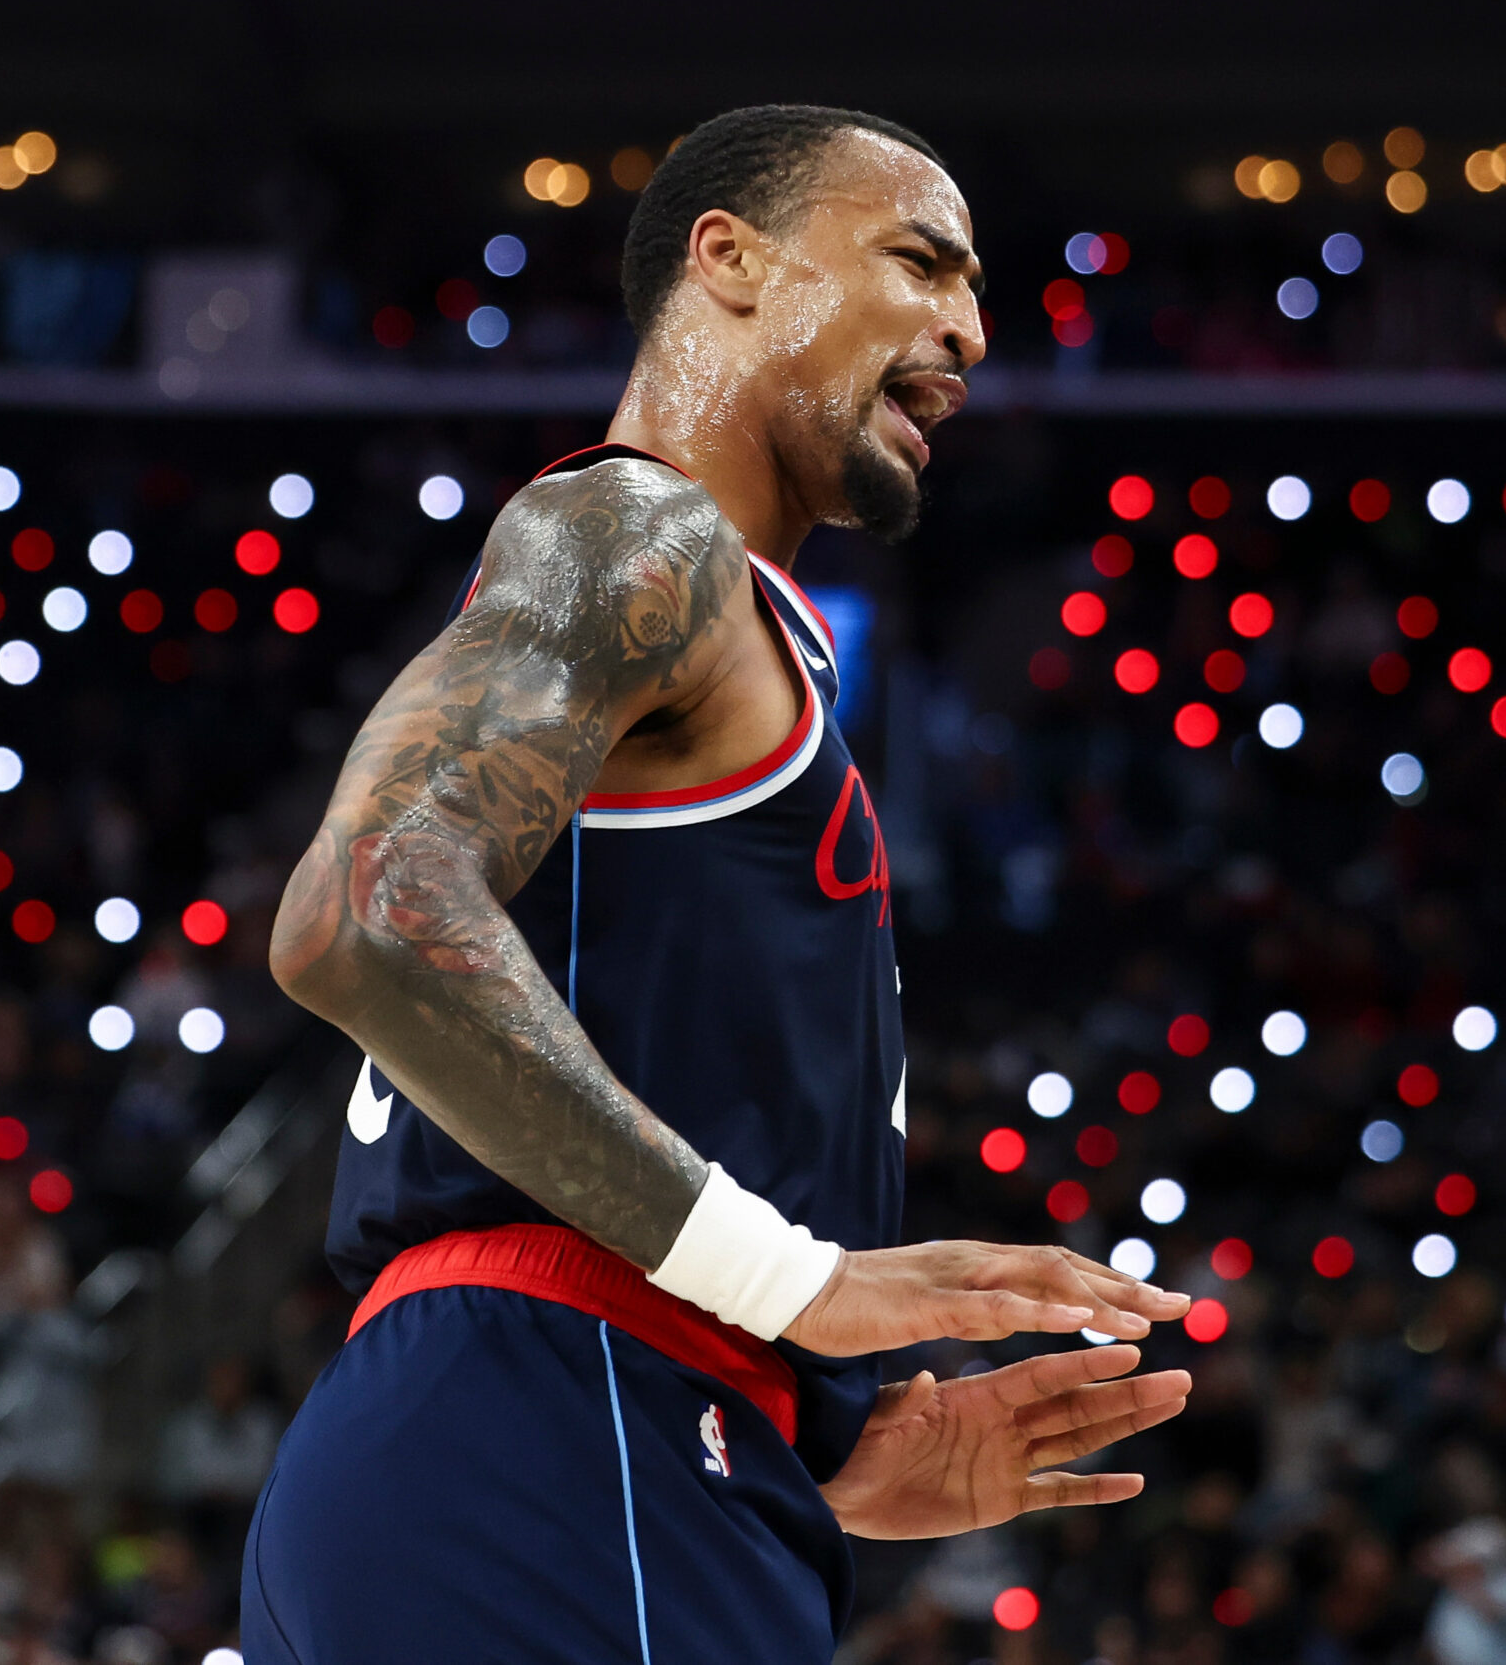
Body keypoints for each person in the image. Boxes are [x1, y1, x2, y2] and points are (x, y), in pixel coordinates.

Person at [246, 104, 1194, 1662]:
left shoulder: (752, 639)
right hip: (557, 1425)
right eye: (918, 261)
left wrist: (812, 1426)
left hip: (594, 1435)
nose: (966, 326)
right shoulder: (632, 527)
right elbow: (363, 912)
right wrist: (792, 1288)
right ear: (730, 259)